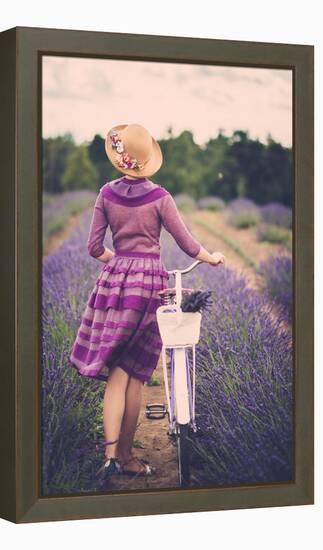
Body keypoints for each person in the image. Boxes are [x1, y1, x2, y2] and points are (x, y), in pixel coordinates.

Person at [69, 123, 225, 478]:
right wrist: (212, 257)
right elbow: (187, 244)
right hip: (149, 285)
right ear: (147, 160)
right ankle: (127, 457)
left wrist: (121, 262)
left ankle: (109, 457)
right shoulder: (160, 197)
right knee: (135, 374)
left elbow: (94, 249)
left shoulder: (106, 194)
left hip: (113, 285)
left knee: (115, 376)